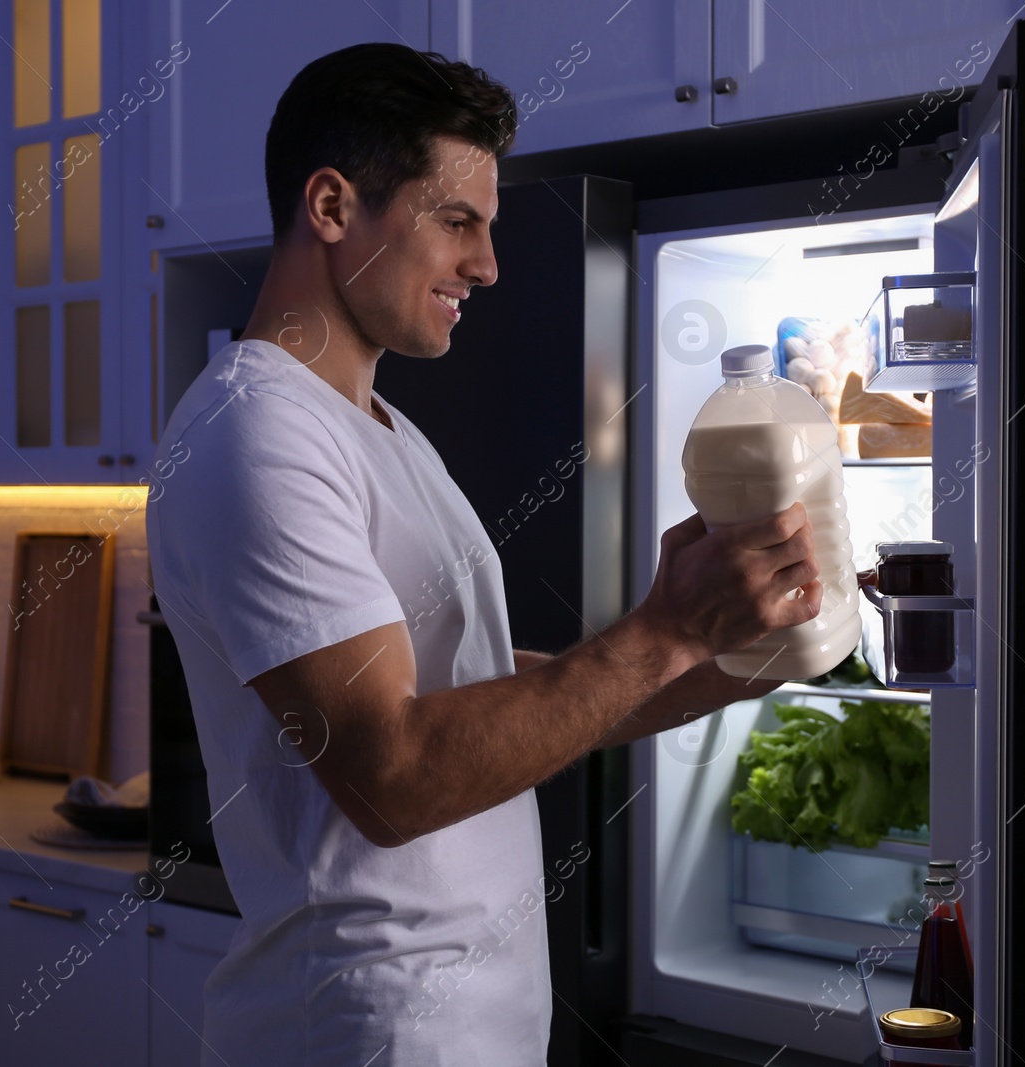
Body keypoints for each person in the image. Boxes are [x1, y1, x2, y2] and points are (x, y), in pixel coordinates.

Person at [145, 42, 823, 1067]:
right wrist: (665, 627)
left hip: (459, 1025)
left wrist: (736, 647)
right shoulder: (255, 430)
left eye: (490, 226)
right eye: (455, 221)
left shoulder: (376, 425)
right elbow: (394, 773)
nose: (488, 264)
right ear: (332, 208)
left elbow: (483, 692)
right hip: (360, 1029)